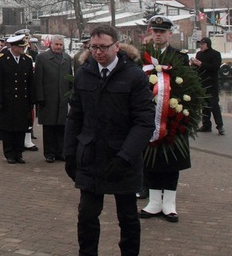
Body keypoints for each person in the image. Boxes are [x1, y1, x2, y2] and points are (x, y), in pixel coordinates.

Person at [64, 24, 155, 256]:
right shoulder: (85, 73)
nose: (98, 52)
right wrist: (70, 153)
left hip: (122, 158)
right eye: (93, 47)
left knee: (127, 217)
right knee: (86, 216)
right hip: (91, 156)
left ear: (117, 45)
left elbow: (144, 122)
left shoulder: (134, 76)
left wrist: (125, 157)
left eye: (103, 47)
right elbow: (75, 116)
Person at [140, 15, 192, 223]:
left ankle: (169, 203)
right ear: (151, 33)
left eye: (162, 32)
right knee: (151, 159)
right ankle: (154, 201)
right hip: (149, 118)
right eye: (155, 31)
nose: (158, 35)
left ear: (170, 33)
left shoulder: (179, 57)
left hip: (173, 117)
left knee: (172, 159)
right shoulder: (144, 56)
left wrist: (178, 111)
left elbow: (187, 86)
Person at [0, 34, 36, 164]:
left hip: (22, 100)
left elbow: (30, 82)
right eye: (21, 47)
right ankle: (9, 153)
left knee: (21, 128)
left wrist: (32, 100)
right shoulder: (1, 59)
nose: (24, 49)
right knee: (8, 128)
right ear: (14, 47)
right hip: (8, 100)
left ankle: (19, 152)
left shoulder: (26, 60)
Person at [34, 35, 72, 163]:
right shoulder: (42, 58)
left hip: (63, 98)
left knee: (61, 127)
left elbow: (70, 78)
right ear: (51, 44)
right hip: (48, 98)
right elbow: (38, 79)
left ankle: (60, 152)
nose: (58, 47)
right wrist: (40, 97)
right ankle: (49, 153)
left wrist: (71, 95)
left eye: (60, 45)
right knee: (49, 127)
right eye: (56, 44)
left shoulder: (67, 58)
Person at [190, 37, 224, 135]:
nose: (200, 46)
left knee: (214, 105)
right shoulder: (199, 54)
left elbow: (215, 67)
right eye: (200, 44)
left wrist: (201, 63)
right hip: (202, 83)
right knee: (204, 106)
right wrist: (193, 64)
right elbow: (197, 69)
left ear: (207, 44)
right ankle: (206, 125)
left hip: (212, 84)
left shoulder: (216, 54)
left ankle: (220, 126)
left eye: (202, 44)